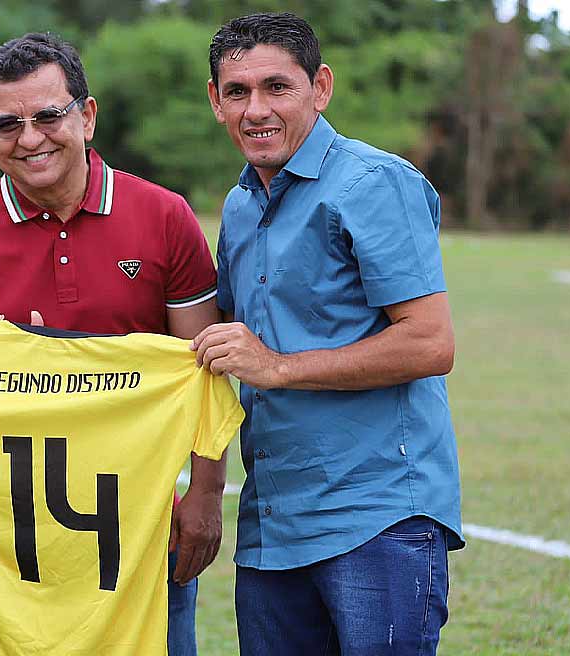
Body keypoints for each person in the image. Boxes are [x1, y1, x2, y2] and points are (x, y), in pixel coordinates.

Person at [0, 32, 224, 655]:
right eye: (8, 124)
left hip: (141, 535)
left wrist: (208, 495)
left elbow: (204, 370)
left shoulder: (164, 217)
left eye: (48, 115)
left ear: (87, 115)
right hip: (13, 543)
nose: (29, 138)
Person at [194, 12, 465, 656]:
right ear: (215, 101)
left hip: (377, 518)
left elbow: (430, 343)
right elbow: (220, 347)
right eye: (238, 92)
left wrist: (279, 367)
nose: (255, 109)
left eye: (276, 87)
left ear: (321, 87)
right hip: (271, 525)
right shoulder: (238, 205)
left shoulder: (374, 183)